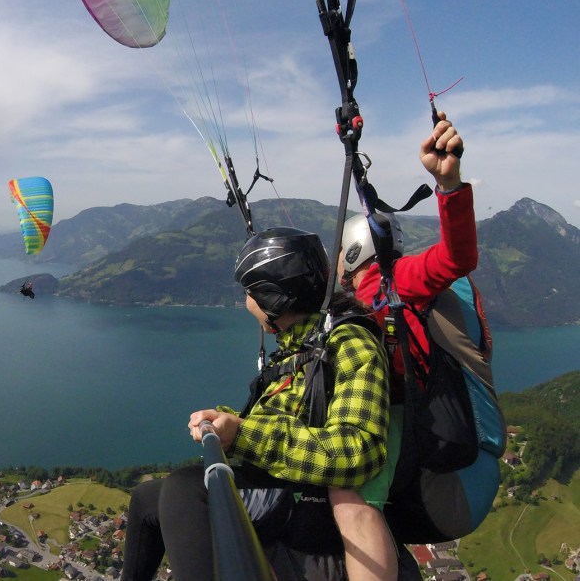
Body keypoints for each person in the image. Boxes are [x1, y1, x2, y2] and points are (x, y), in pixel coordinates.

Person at [121, 227, 390, 581]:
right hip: (285, 485)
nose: (246, 303)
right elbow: (291, 416)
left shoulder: (347, 342)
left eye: (251, 293)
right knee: (145, 499)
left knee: (187, 491)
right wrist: (229, 423)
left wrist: (245, 435)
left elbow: (360, 450)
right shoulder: (304, 346)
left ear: (274, 298)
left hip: (306, 501)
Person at [332, 111, 474, 580]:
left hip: (390, 414)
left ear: (354, 252)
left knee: (353, 500)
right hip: (377, 409)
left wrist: (449, 187)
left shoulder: (397, 281)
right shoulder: (351, 299)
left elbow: (456, 257)